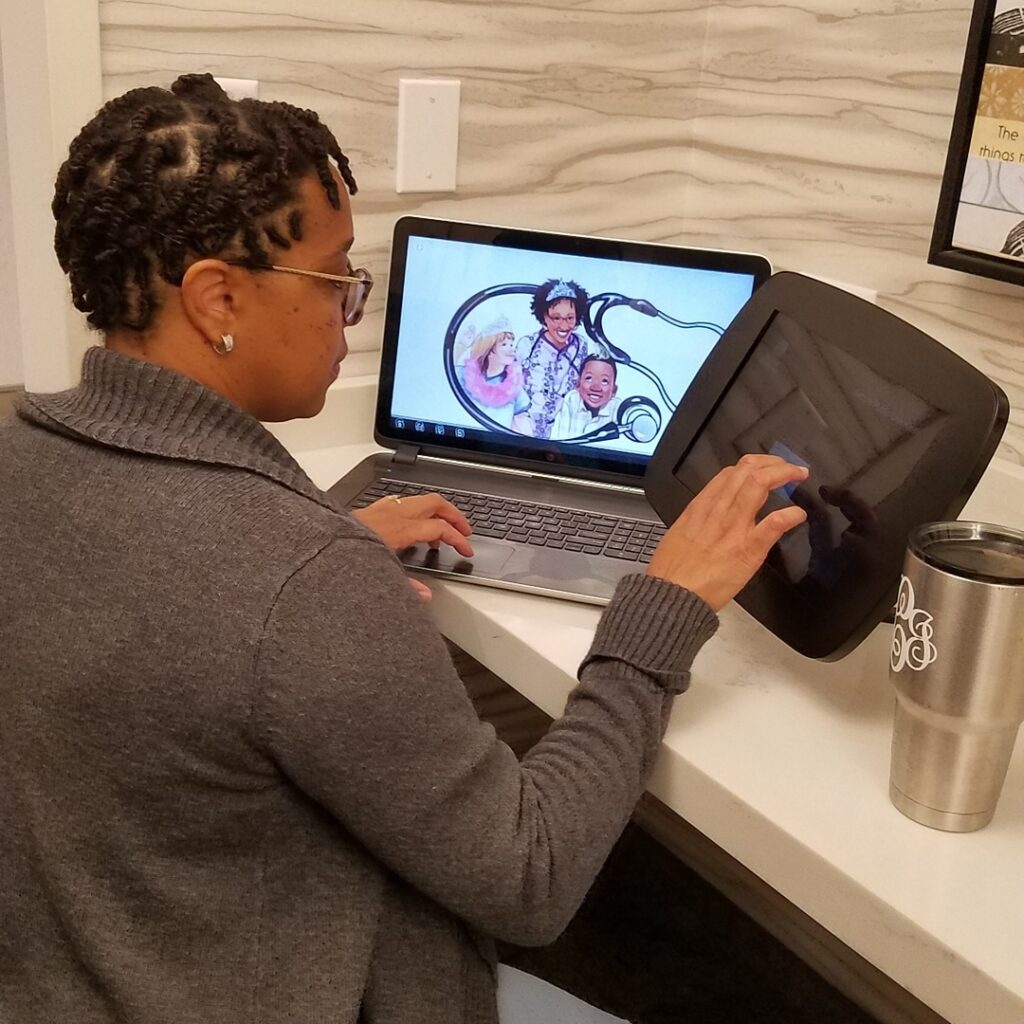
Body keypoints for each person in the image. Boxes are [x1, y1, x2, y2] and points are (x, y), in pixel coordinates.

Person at [0, 74, 808, 1024]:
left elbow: (166, 627)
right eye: (336, 278)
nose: (353, 311)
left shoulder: (21, 452)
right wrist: (662, 606)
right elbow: (531, 875)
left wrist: (313, 557)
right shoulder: (295, 581)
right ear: (217, 295)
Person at [516, 278, 590, 438]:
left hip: (562, 435)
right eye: (556, 318)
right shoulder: (526, 345)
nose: (564, 326)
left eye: (570, 318)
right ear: (544, 316)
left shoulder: (582, 346)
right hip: (521, 432)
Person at [455, 318, 530, 430]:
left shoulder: (515, 389)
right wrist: (461, 346)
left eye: (511, 344)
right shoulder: (463, 375)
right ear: (489, 350)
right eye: (504, 344)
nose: (511, 349)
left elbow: (521, 425)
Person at [550, 354, 621, 441]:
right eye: (589, 378)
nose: (596, 387)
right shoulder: (572, 400)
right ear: (578, 383)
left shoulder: (617, 409)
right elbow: (560, 438)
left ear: (614, 390)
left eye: (604, 381)